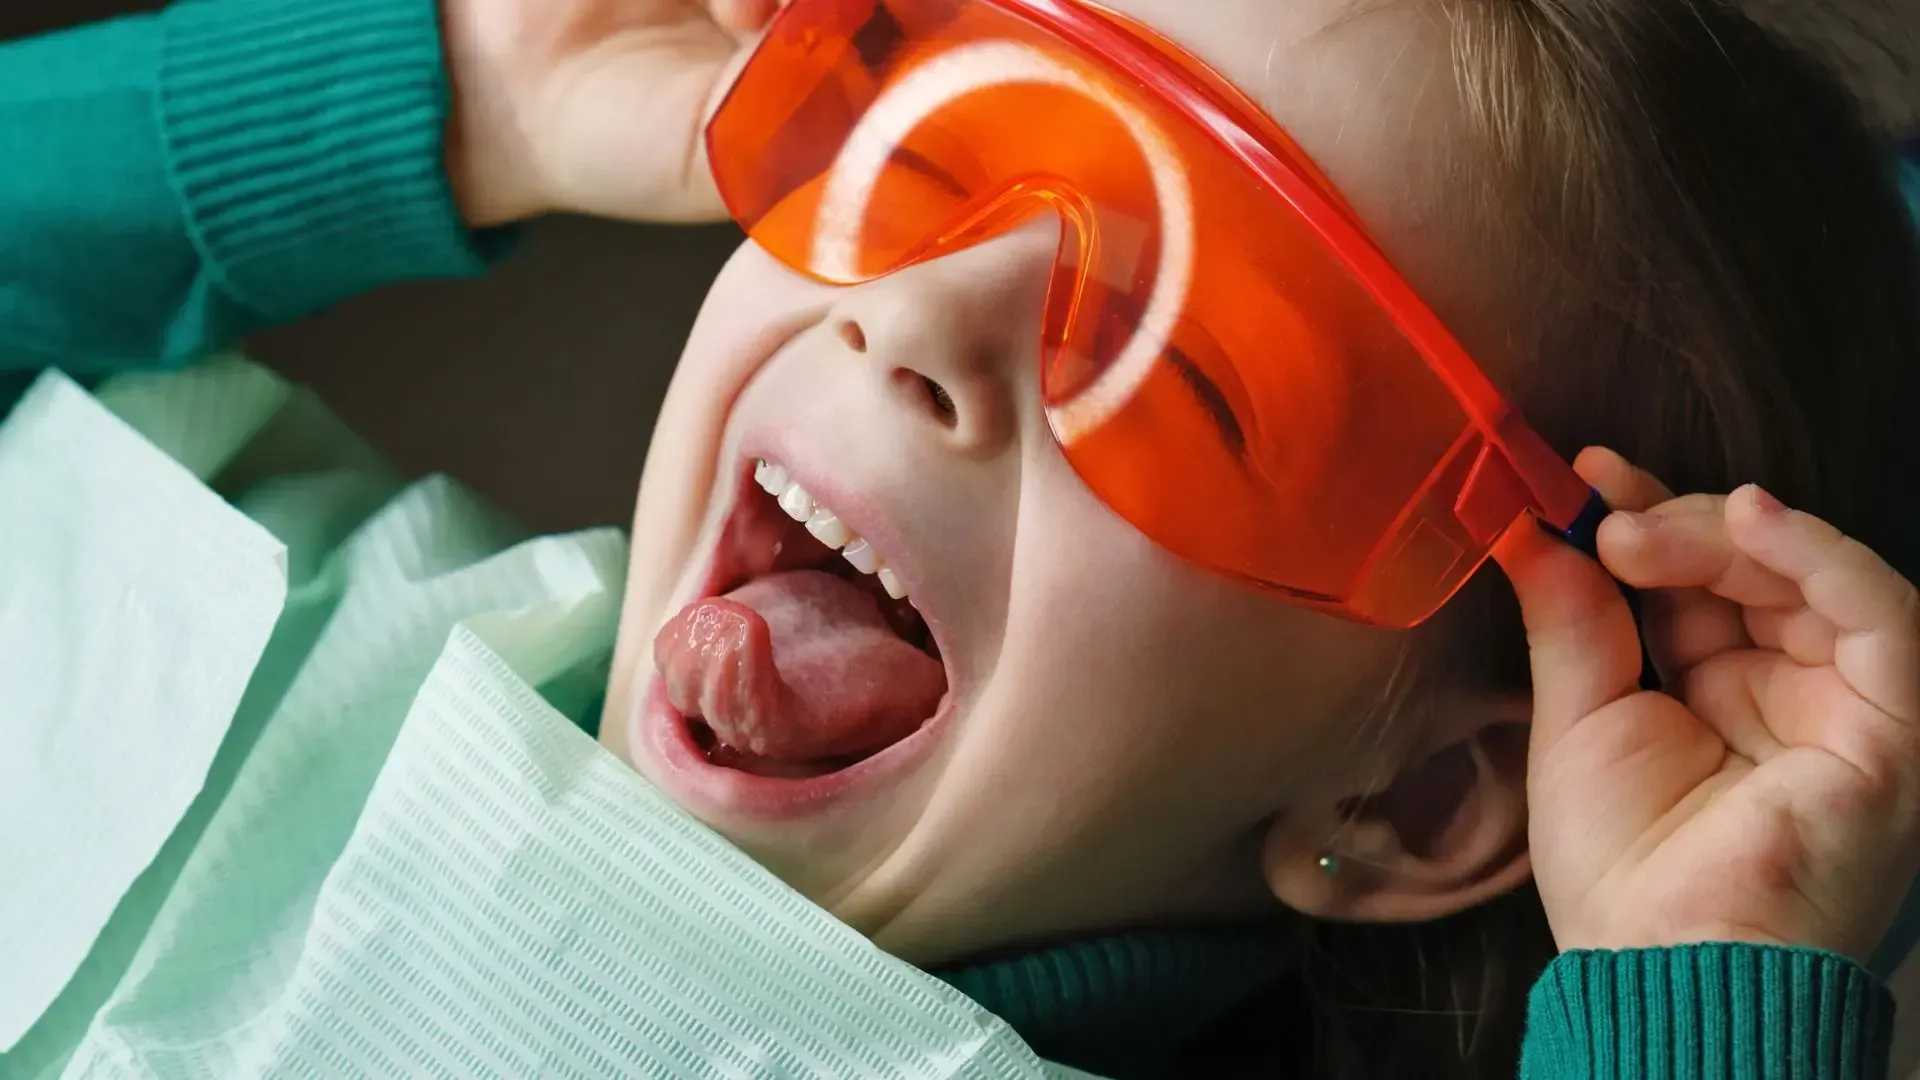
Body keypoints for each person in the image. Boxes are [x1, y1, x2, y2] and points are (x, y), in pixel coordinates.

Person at [2, 0, 1918, 1077]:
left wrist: (1701, 988)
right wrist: (464, 101)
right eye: (942, 140)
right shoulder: (269, 600)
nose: (919, 318)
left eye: (1211, 384)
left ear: (1420, 801)